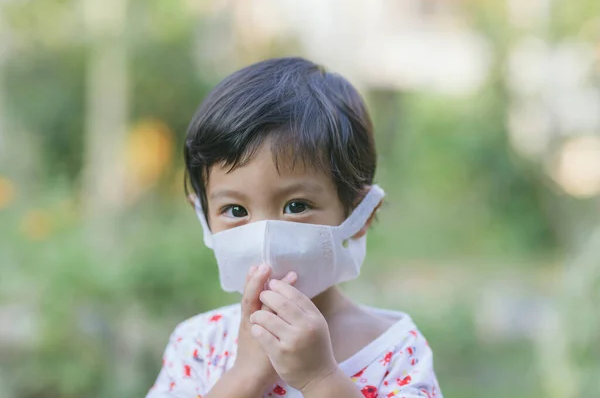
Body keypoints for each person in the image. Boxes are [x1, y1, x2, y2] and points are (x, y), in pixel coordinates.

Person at [146, 57, 442, 398]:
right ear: (204, 215)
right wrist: (244, 377)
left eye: (296, 206)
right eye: (235, 210)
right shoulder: (199, 345)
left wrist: (321, 379)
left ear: (361, 216)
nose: (264, 235)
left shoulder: (396, 353)